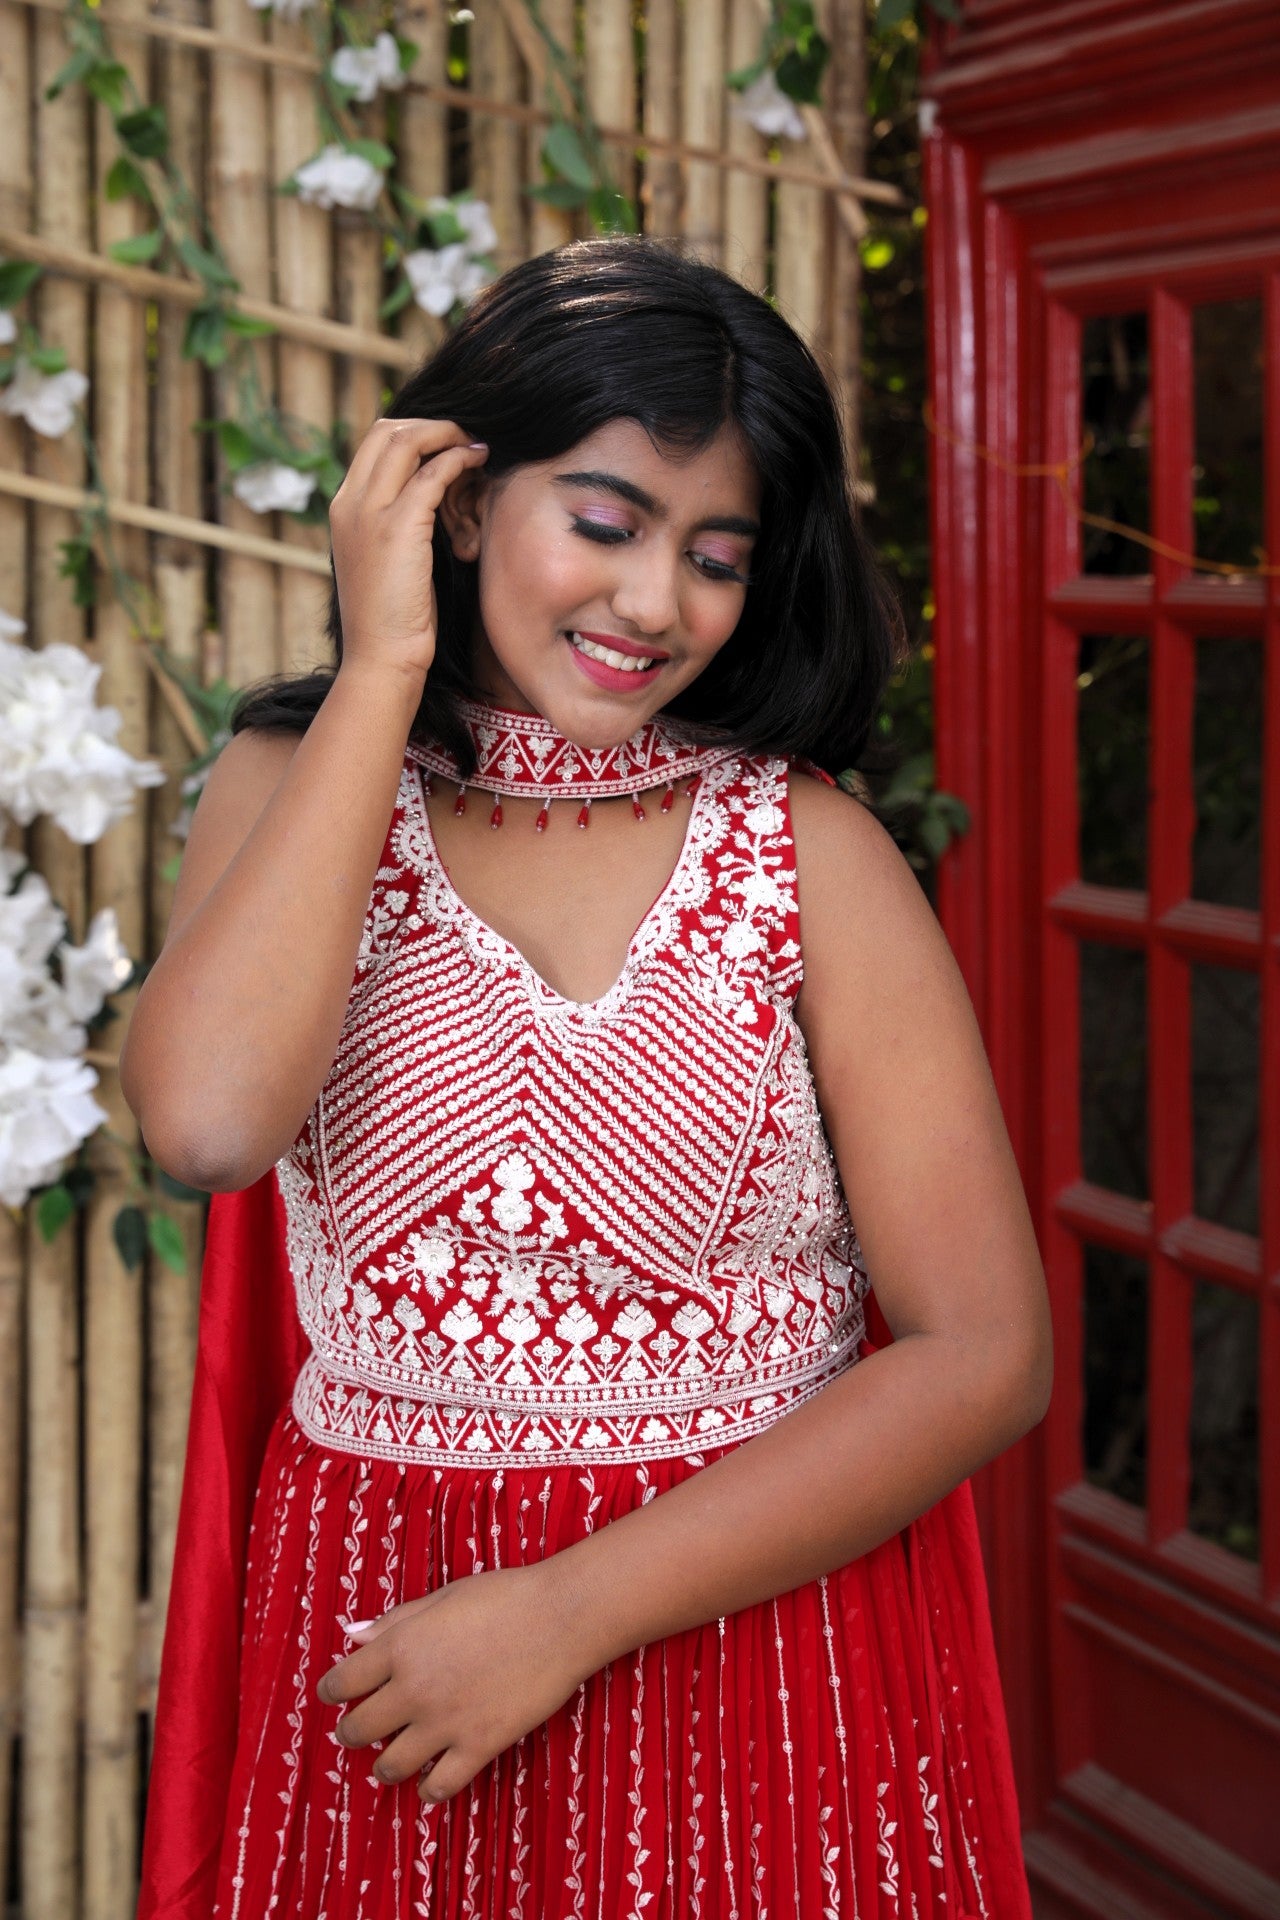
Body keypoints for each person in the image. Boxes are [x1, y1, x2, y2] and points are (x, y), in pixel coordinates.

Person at [125, 235, 1052, 1919]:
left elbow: (987, 1354)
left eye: (715, 553)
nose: (654, 604)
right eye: (606, 523)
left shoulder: (808, 848)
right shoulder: (291, 789)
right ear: (460, 501)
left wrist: (567, 1613)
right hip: (391, 1652)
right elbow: (205, 1126)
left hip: (760, 1646)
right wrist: (382, 664)